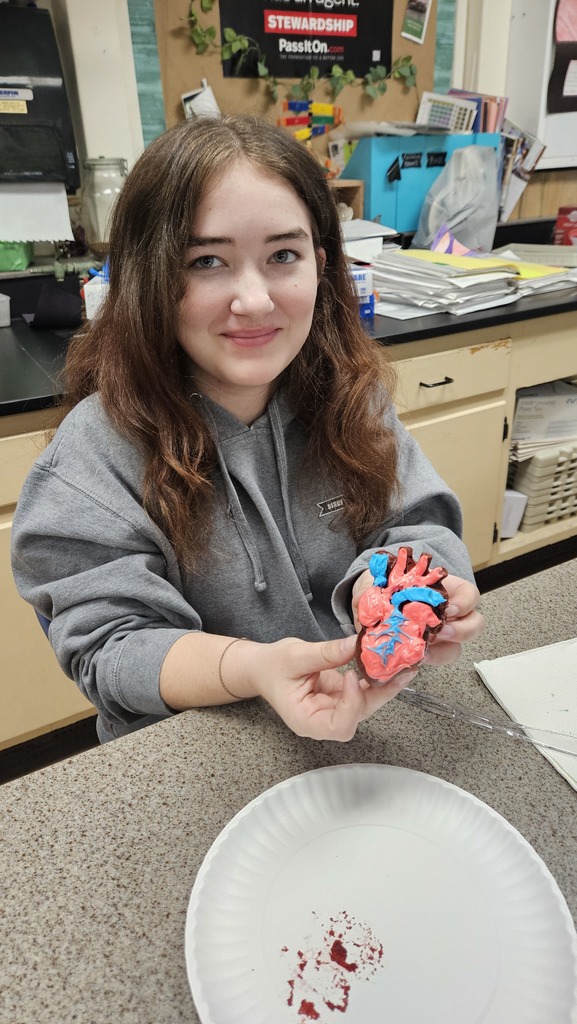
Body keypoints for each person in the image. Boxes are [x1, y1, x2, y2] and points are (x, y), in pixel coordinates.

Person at [11, 115, 483, 744]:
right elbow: (111, 648)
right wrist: (254, 669)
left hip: (362, 717)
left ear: (320, 264)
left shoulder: (352, 397)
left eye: (283, 255)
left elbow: (420, 521)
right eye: (208, 261)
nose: (255, 300)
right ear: (149, 277)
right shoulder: (93, 458)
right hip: (196, 754)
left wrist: (417, 591)